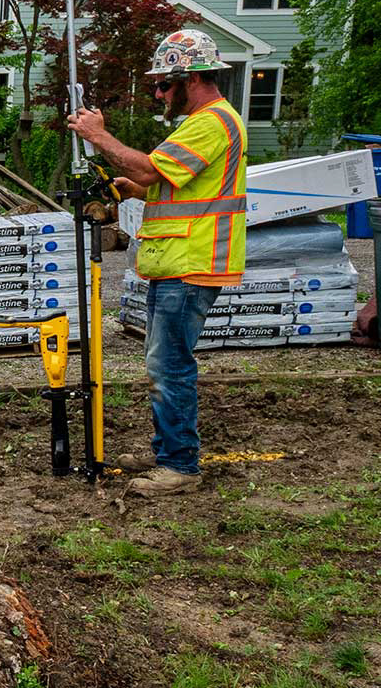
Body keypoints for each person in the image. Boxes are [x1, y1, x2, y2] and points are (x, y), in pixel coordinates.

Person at [68, 28, 247, 498]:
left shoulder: (211, 122)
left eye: (164, 84)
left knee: (170, 366)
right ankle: (169, 448)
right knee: (164, 363)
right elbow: (171, 181)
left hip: (191, 263)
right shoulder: (201, 123)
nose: (158, 93)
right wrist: (138, 188)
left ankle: (180, 465)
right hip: (177, 261)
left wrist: (99, 135)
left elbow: (149, 167)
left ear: (191, 78)